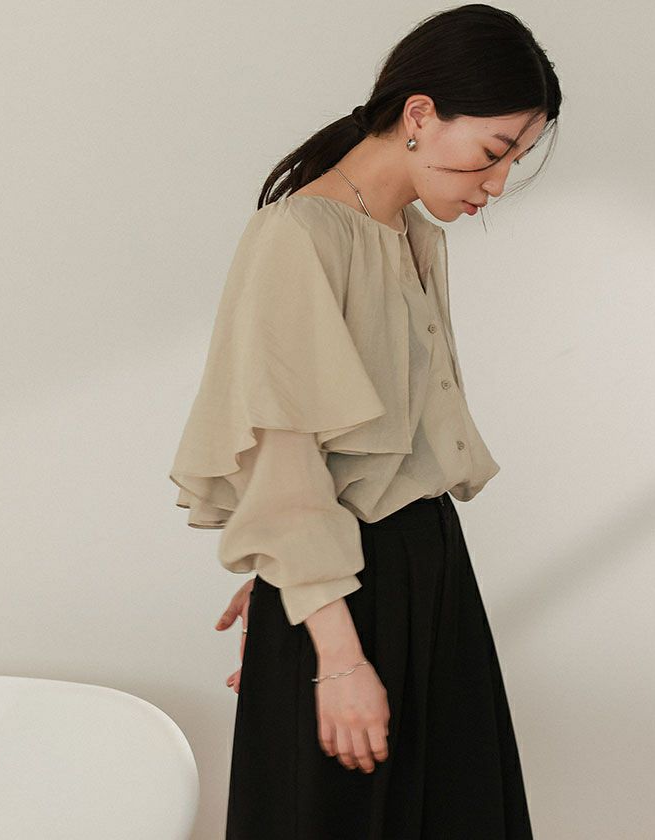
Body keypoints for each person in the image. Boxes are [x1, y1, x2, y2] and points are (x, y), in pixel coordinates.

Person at [169, 4, 562, 838]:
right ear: (420, 113)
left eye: (516, 162)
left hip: (431, 570)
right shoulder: (298, 235)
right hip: (350, 601)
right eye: (493, 152)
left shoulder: (414, 235)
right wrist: (330, 641)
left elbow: (360, 453)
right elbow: (281, 450)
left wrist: (286, 574)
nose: (496, 185)